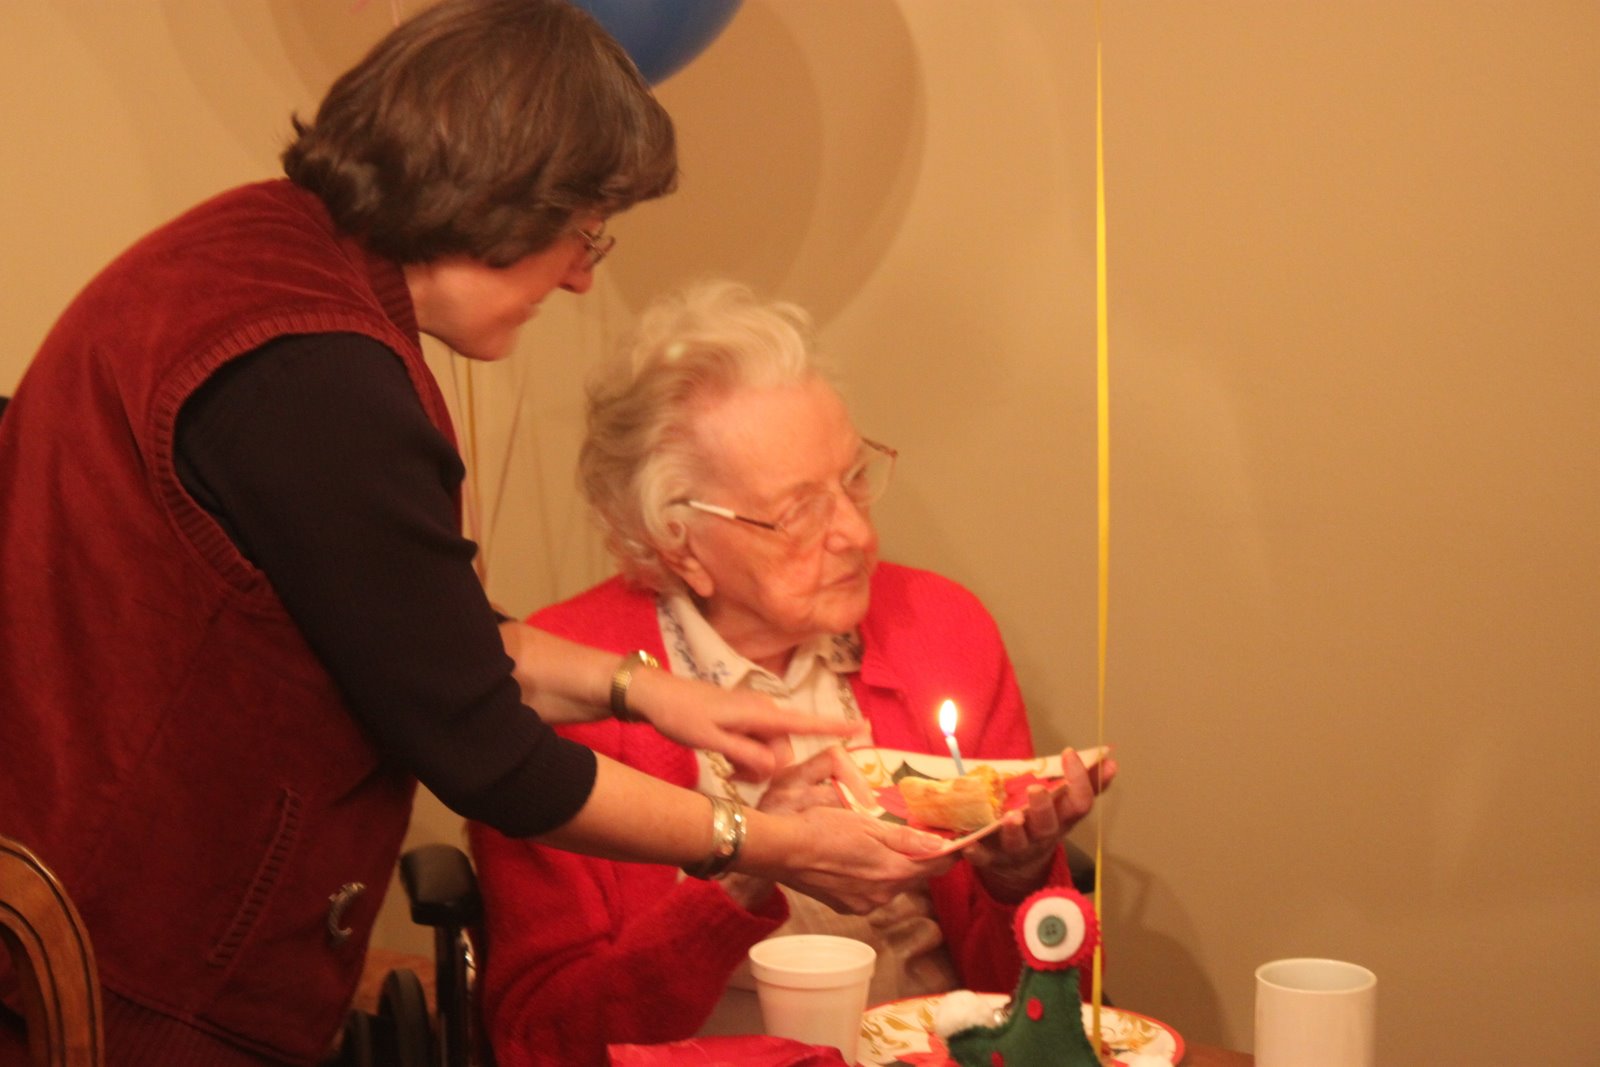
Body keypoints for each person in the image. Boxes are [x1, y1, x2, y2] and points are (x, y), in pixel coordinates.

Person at [0, 5, 947, 1065]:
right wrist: (769, 843)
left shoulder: (261, 248)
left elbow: (413, 630)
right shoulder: (316, 376)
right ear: (503, 197)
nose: (583, 275)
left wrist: (641, 691)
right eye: (585, 232)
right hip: (128, 961)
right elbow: (490, 757)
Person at [469, 281, 1118, 1067]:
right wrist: (747, 872)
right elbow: (545, 1041)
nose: (857, 533)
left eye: (854, 478)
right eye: (800, 510)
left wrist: (1017, 879)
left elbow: (1035, 1021)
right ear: (679, 541)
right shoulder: (565, 689)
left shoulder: (941, 628)